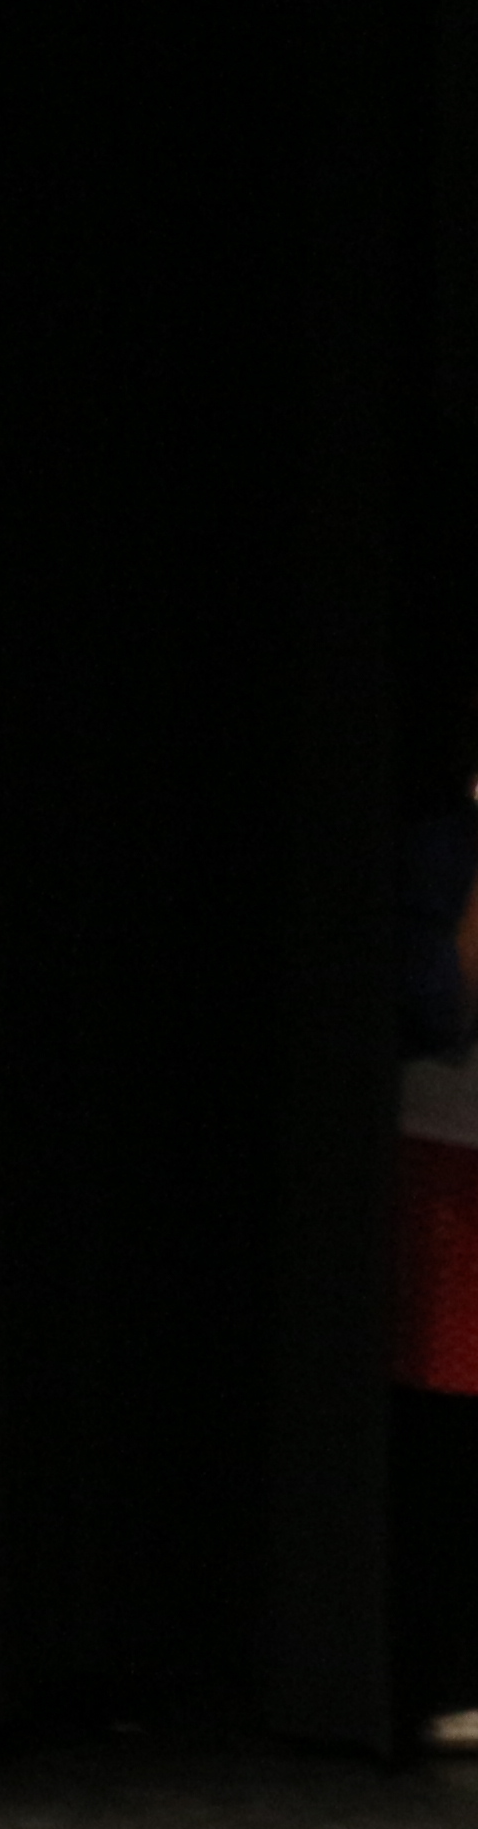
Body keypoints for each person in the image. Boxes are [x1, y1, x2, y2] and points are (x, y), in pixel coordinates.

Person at [395, 735, 478, 1745]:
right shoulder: (437, 853)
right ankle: (456, 1670)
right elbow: (445, 1004)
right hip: (454, 1151)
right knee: (453, 1419)